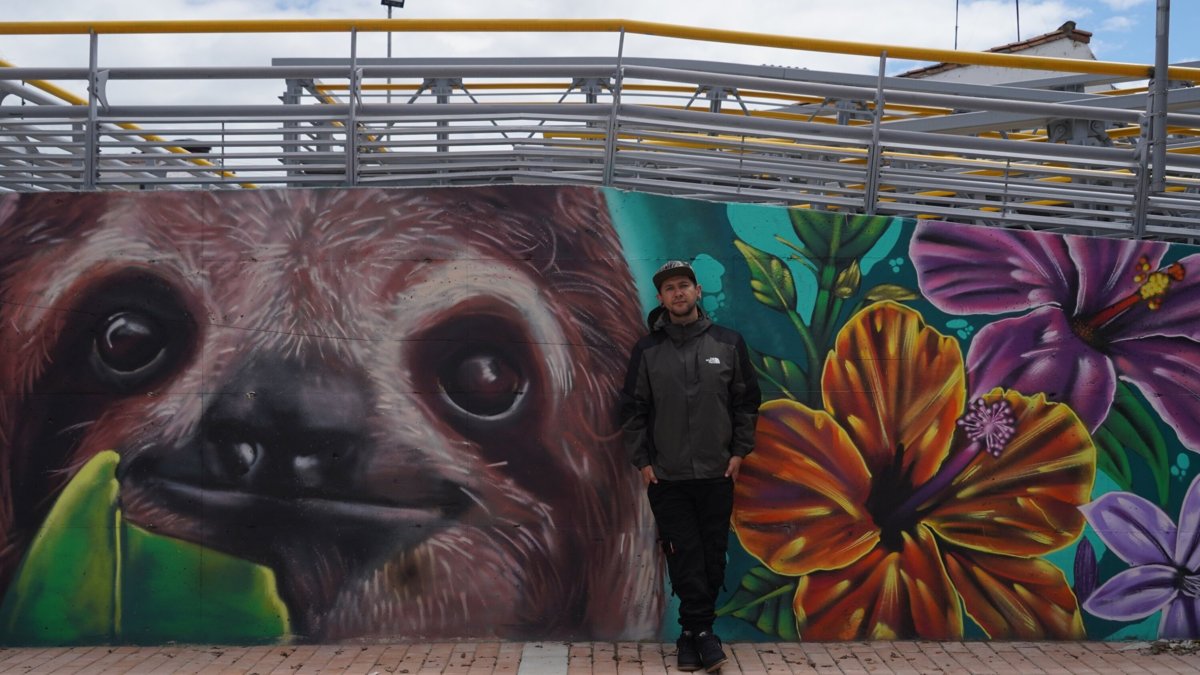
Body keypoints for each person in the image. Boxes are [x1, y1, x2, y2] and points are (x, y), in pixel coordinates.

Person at [620, 260, 761, 672]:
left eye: (684, 285)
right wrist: (643, 463)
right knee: (684, 554)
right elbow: (632, 411)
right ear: (661, 298)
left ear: (698, 292)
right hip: (667, 477)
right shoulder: (647, 351)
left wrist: (738, 453)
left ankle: (692, 634)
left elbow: (746, 403)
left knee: (713, 556)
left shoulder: (728, 344)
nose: (677, 293)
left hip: (717, 473)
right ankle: (701, 634)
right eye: (669, 289)